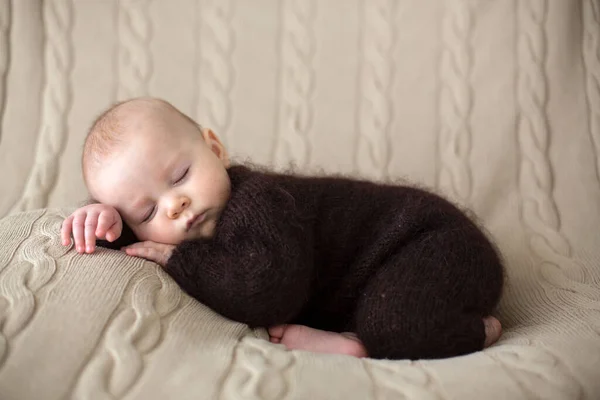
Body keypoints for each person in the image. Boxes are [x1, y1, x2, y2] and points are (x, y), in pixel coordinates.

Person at [61, 97, 504, 360]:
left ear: (215, 149)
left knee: (393, 323)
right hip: (378, 279)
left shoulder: (257, 202)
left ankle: (476, 330)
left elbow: (265, 292)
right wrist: (106, 227)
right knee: (381, 313)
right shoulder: (179, 226)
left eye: (179, 177)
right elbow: (141, 246)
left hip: (431, 243)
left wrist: (180, 258)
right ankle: (352, 339)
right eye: (146, 211)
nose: (175, 205)